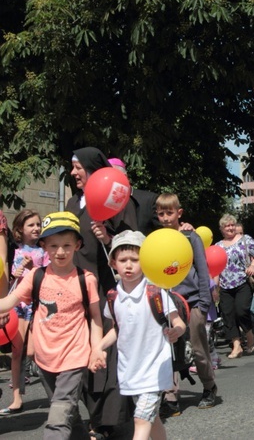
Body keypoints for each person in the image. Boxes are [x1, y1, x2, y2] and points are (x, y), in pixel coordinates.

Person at [0, 211, 104, 438]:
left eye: (67, 245)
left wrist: (96, 348)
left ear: (77, 245)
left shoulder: (85, 279)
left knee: (57, 420)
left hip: (74, 358)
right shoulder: (36, 276)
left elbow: (96, 317)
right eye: (54, 245)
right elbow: (8, 302)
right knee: (68, 412)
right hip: (45, 359)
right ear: (44, 246)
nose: (60, 251)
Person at [67, 147, 137, 438]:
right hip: (78, 289)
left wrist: (108, 237)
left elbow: (132, 243)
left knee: (106, 355)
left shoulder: (117, 198)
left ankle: (107, 420)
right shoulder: (72, 203)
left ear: (93, 168)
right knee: (83, 354)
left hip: (106, 289)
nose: (73, 173)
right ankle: (95, 416)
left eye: (77, 167)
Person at [93, 230, 186, 440]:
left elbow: (178, 321)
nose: (128, 265)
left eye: (135, 260)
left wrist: (176, 331)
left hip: (155, 370)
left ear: (145, 262)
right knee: (153, 421)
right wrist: (98, 347)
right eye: (122, 259)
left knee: (141, 420)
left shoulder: (156, 292)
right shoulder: (113, 297)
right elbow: (118, 329)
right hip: (130, 371)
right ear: (112, 263)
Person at [156, 193, 218, 416]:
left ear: (179, 213)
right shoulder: (157, 239)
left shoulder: (191, 237)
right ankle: (171, 395)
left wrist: (203, 303)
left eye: (169, 213)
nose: (165, 218)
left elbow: (202, 270)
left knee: (198, 349)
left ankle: (209, 387)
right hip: (167, 302)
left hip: (192, 301)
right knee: (170, 349)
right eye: (161, 213)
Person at [3, 210, 49, 415]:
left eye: (38, 224)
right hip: (21, 306)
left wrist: (35, 267)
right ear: (20, 229)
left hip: (39, 304)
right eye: (31, 225)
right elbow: (14, 279)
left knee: (32, 351)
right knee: (17, 353)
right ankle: (16, 398)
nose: (36, 228)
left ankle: (52, 392)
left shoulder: (45, 250)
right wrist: (16, 274)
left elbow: (49, 275)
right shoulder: (17, 250)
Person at [215, 214, 254, 358]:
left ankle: (249, 335)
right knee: (228, 315)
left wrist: (253, 266)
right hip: (225, 284)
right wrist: (215, 288)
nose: (230, 228)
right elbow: (215, 267)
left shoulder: (245, 240)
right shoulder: (218, 246)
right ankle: (236, 346)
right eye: (226, 226)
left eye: (232, 225)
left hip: (243, 281)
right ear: (222, 229)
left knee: (241, 311)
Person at [108, 158, 160, 235]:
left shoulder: (149, 200)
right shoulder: (105, 204)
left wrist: (182, 227)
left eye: (112, 176)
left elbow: (165, 227)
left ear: (124, 176)